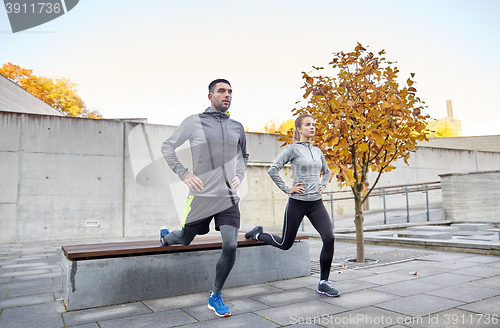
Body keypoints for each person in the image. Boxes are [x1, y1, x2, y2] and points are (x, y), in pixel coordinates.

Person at [160, 79, 249, 317]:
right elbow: (167, 147)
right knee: (183, 239)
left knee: (230, 245)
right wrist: (184, 173)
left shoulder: (237, 127)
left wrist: (239, 174)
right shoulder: (194, 122)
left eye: (230, 91)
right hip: (200, 196)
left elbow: (244, 156)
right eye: (222, 91)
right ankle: (166, 236)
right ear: (210, 96)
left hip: (228, 197)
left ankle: (215, 294)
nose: (227, 94)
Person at [245, 114, 340, 297]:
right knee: (285, 243)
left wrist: (323, 184)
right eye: (307, 125)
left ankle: (323, 282)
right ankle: (257, 234)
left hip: (316, 203)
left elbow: (327, 172)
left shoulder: (318, 150)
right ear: (299, 129)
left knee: (329, 238)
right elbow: (273, 170)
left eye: (313, 124)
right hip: (297, 203)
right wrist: (287, 189)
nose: (312, 127)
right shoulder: (292, 150)